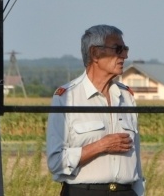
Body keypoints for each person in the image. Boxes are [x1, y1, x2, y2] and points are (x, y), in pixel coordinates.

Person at [46, 24, 145, 196]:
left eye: (125, 49)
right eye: (118, 49)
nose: (125, 55)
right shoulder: (66, 97)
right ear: (95, 53)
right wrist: (101, 146)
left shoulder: (126, 96)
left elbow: (136, 161)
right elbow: (56, 162)